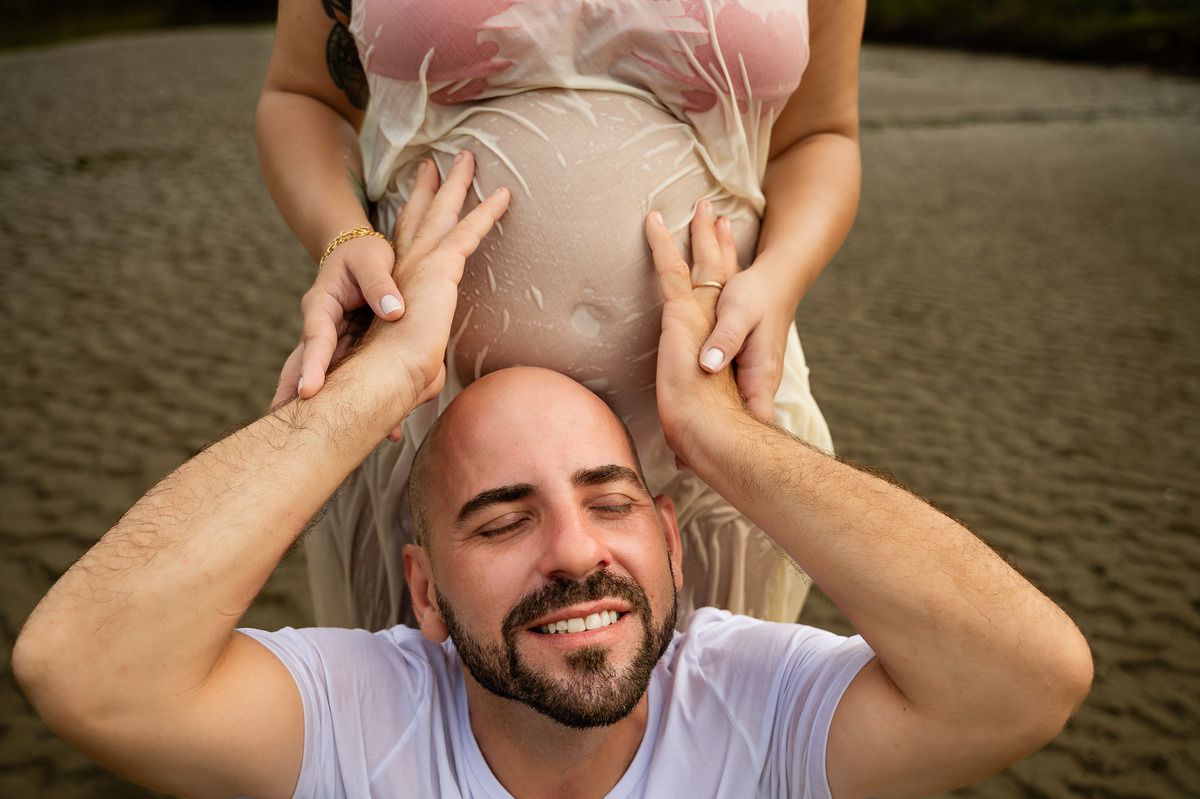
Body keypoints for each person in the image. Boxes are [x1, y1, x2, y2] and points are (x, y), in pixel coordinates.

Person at [15, 156, 1092, 798]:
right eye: (500, 521)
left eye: (612, 500)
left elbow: (1029, 678)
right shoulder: (368, 717)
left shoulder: (752, 708)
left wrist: (722, 435)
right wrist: (377, 381)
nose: (577, 551)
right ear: (424, 592)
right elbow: (83, 670)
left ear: (673, 541)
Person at [257, 0, 866, 630]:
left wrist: (780, 278)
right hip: (418, 421)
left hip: (719, 415)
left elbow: (819, 134)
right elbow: (304, 97)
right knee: (401, 682)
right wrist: (343, 237)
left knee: (726, 686)